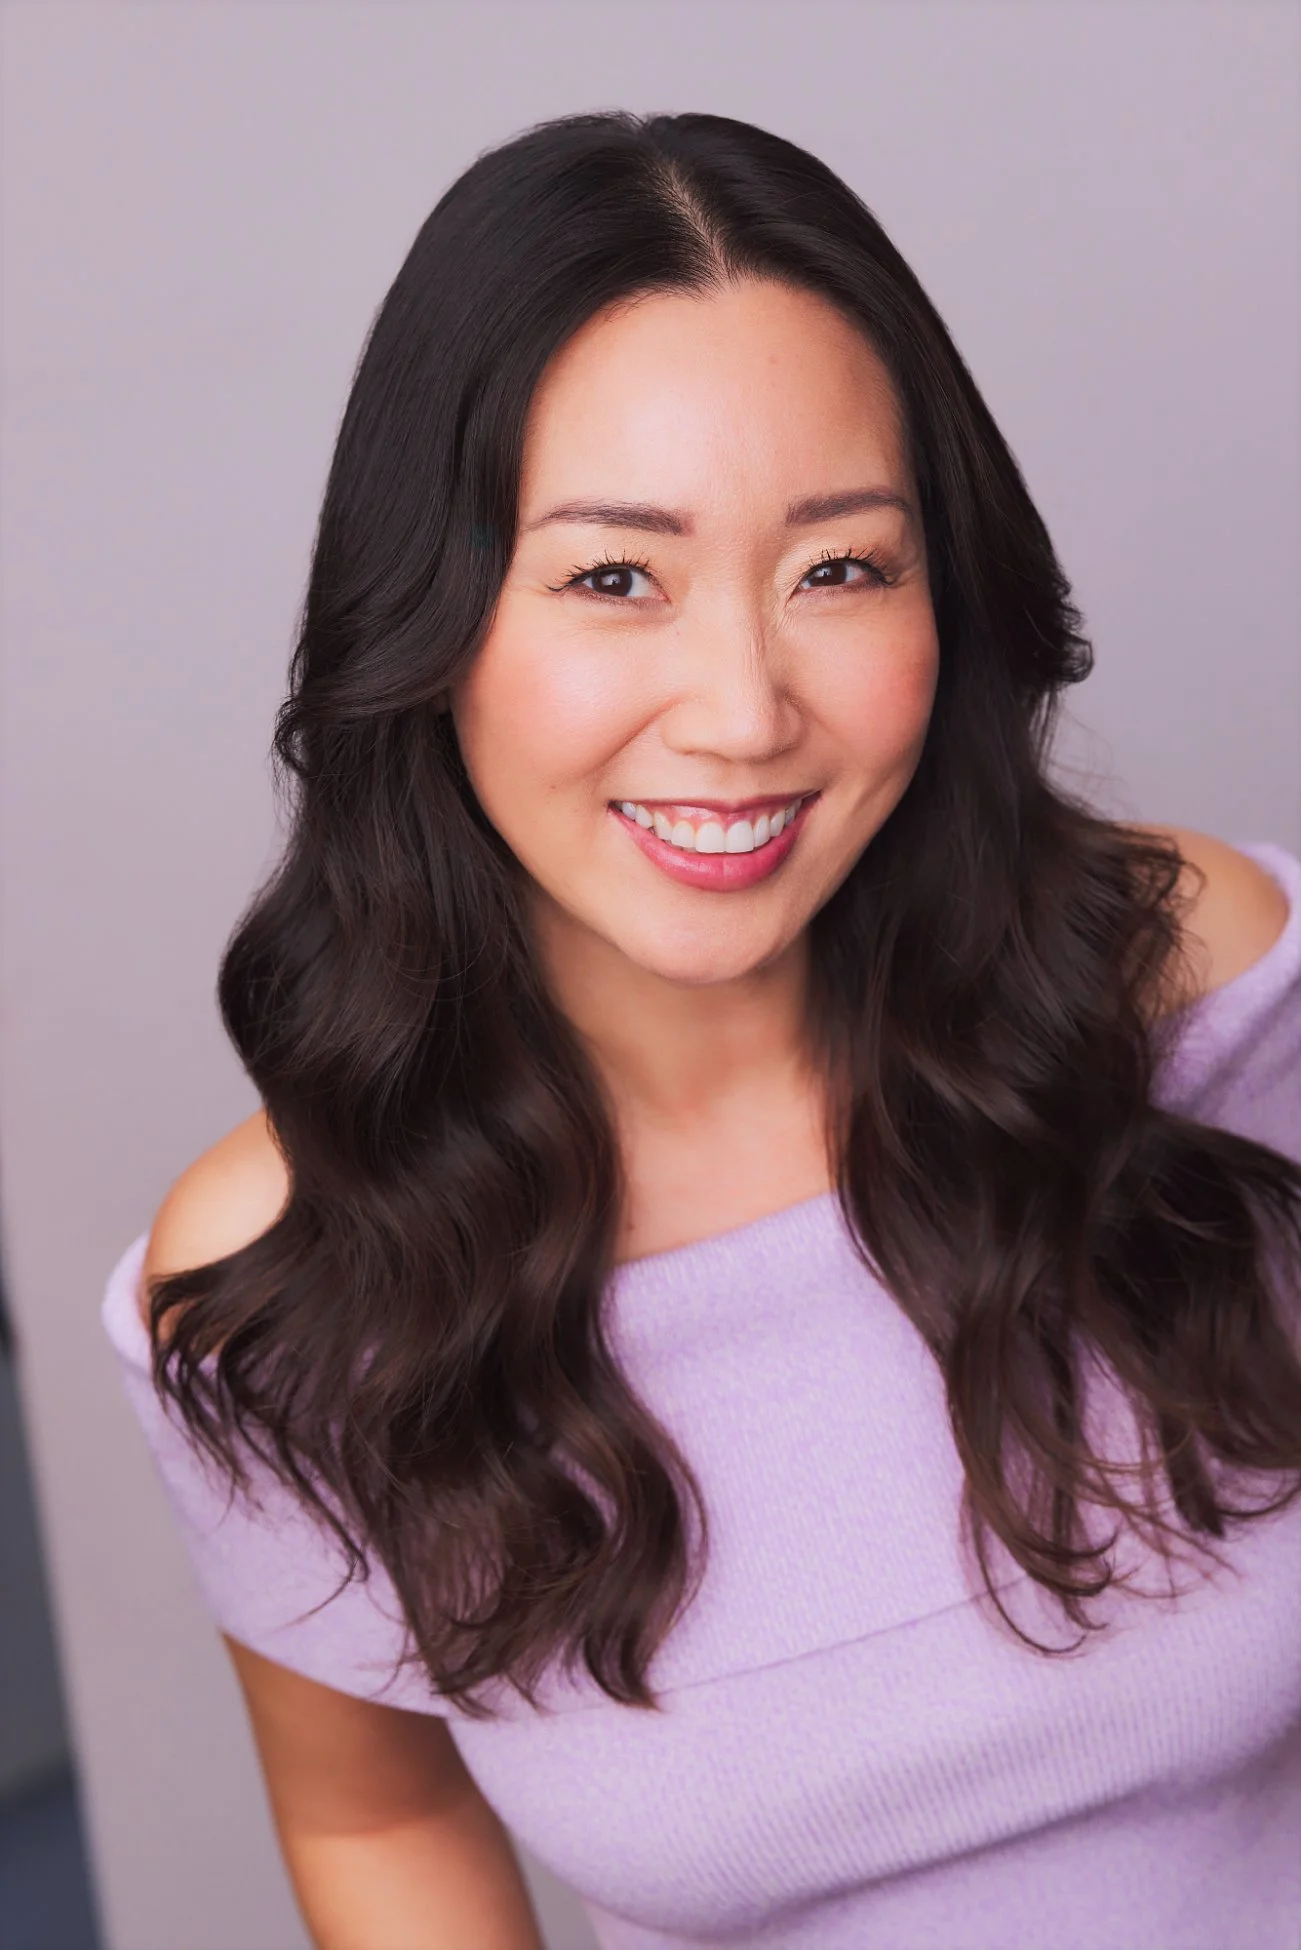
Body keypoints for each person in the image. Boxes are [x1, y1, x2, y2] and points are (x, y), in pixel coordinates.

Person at [102, 110, 1301, 1949]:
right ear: (428, 618)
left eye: (840, 568)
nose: (742, 712)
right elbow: (378, 1818)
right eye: (611, 577)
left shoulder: (1202, 983)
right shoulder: (291, 1274)